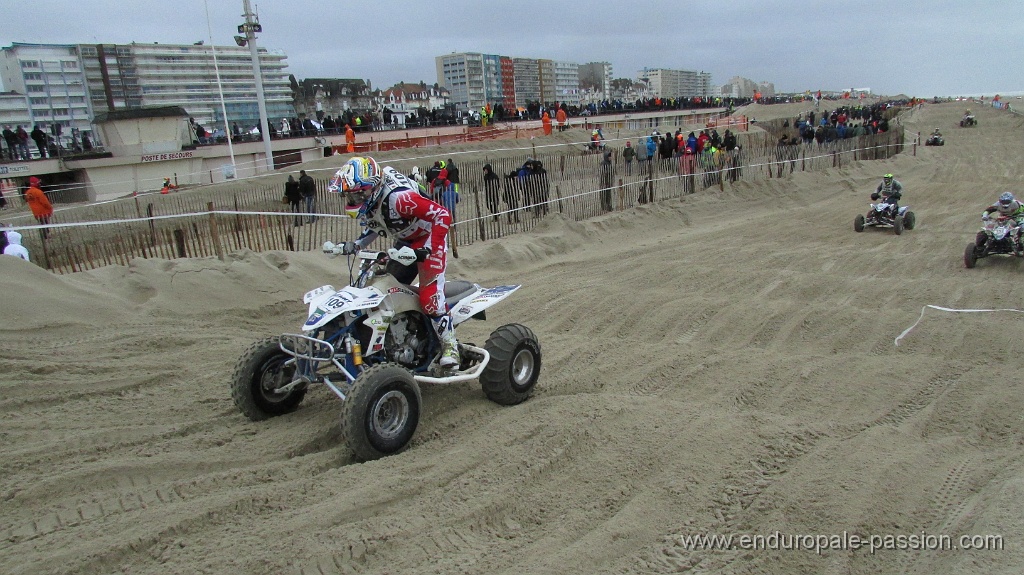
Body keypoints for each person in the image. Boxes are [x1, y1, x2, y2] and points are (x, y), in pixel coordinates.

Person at [328, 156, 460, 367]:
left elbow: (442, 215)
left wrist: (431, 250)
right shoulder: (372, 200)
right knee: (388, 290)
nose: (352, 201)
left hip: (428, 236)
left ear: (368, 189)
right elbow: (375, 225)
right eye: (348, 196)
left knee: (429, 297)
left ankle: (449, 345)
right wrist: (356, 245)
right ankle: (401, 337)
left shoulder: (400, 199)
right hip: (406, 241)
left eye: (355, 195)